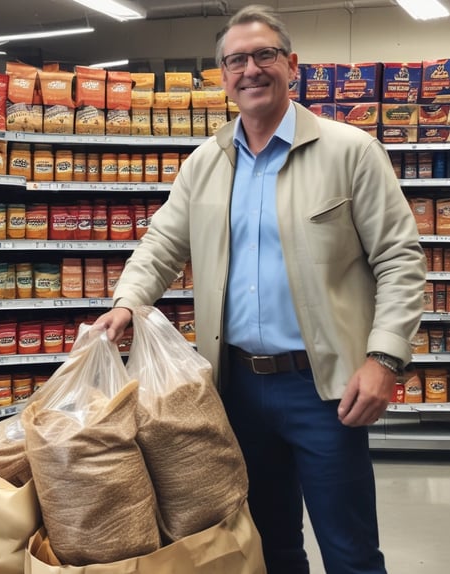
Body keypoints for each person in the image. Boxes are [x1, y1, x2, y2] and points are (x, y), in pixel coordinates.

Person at [94, 4, 427, 574]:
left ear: (291, 65)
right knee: (268, 545)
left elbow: (400, 260)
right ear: (223, 77)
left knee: (349, 550)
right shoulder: (205, 163)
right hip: (235, 388)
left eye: (265, 55)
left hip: (325, 390)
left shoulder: (351, 152)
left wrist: (383, 358)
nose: (251, 69)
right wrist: (128, 301)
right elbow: (161, 244)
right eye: (236, 60)